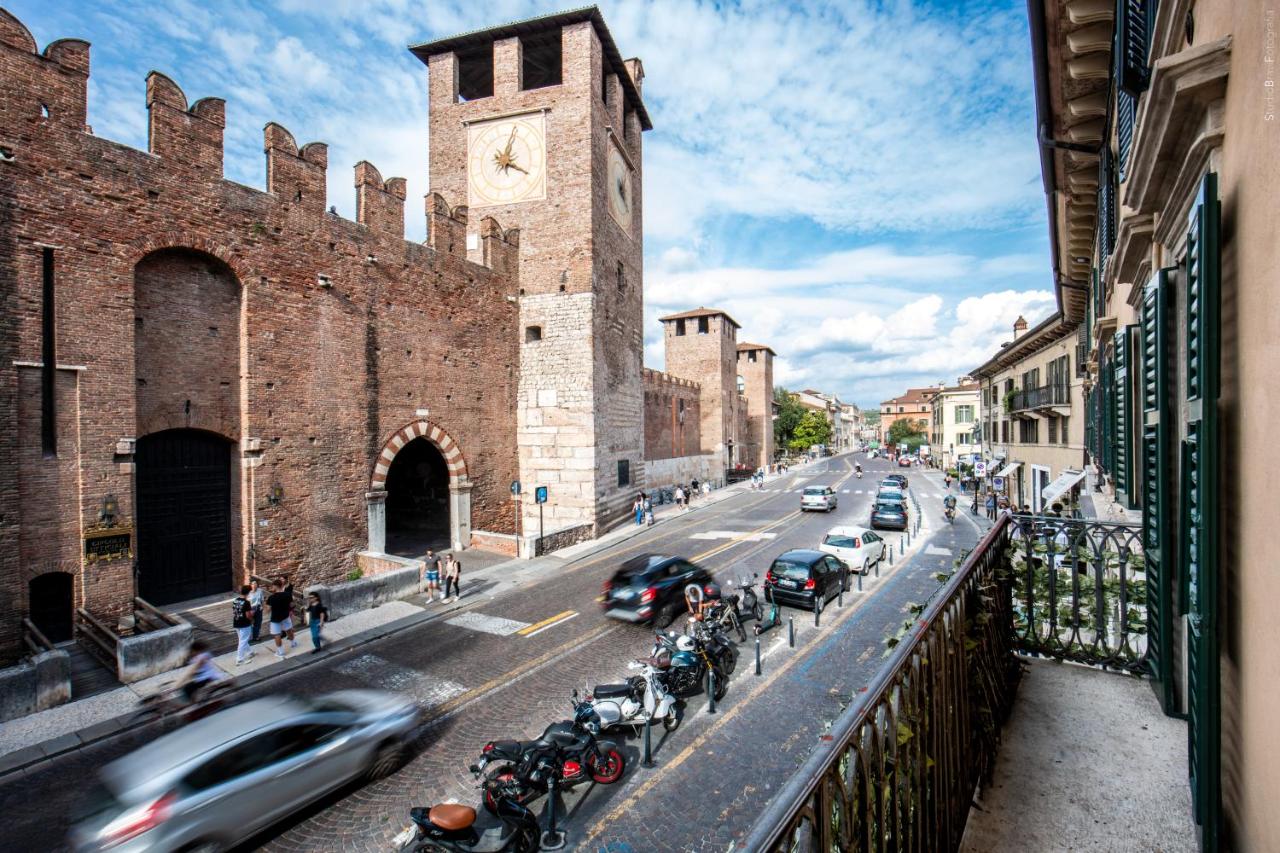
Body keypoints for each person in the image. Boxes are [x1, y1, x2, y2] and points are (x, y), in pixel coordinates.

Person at [177, 639, 224, 703]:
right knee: (189, 686)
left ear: (195, 650)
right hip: (201, 676)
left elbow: (192, 669)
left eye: (192, 651)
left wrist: (176, 686)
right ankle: (195, 701)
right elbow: (192, 670)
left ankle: (194, 704)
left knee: (187, 688)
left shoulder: (202, 657)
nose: (190, 652)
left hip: (206, 677)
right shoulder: (198, 657)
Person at [266, 577, 297, 658]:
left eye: (273, 586)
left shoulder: (271, 598)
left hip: (275, 619)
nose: (272, 588)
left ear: (276, 586)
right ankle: (293, 643)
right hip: (285, 616)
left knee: (277, 634)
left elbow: (268, 610)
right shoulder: (287, 594)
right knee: (289, 630)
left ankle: (281, 651)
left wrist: (264, 603)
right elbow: (292, 605)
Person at [231, 585, 254, 665]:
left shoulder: (235, 600)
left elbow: (235, 611)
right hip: (245, 624)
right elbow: (248, 615)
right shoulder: (247, 603)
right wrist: (252, 620)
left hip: (236, 622)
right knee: (243, 641)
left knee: (242, 639)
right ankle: (239, 659)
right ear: (248, 592)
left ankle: (250, 652)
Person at [248, 578, 264, 643]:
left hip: (258, 608)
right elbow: (247, 602)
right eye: (253, 584)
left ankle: (256, 636)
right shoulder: (249, 593)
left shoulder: (260, 590)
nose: (254, 585)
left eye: (255, 583)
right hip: (251, 609)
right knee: (250, 623)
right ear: (251, 585)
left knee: (258, 623)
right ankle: (250, 637)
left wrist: (262, 606)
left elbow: (262, 599)